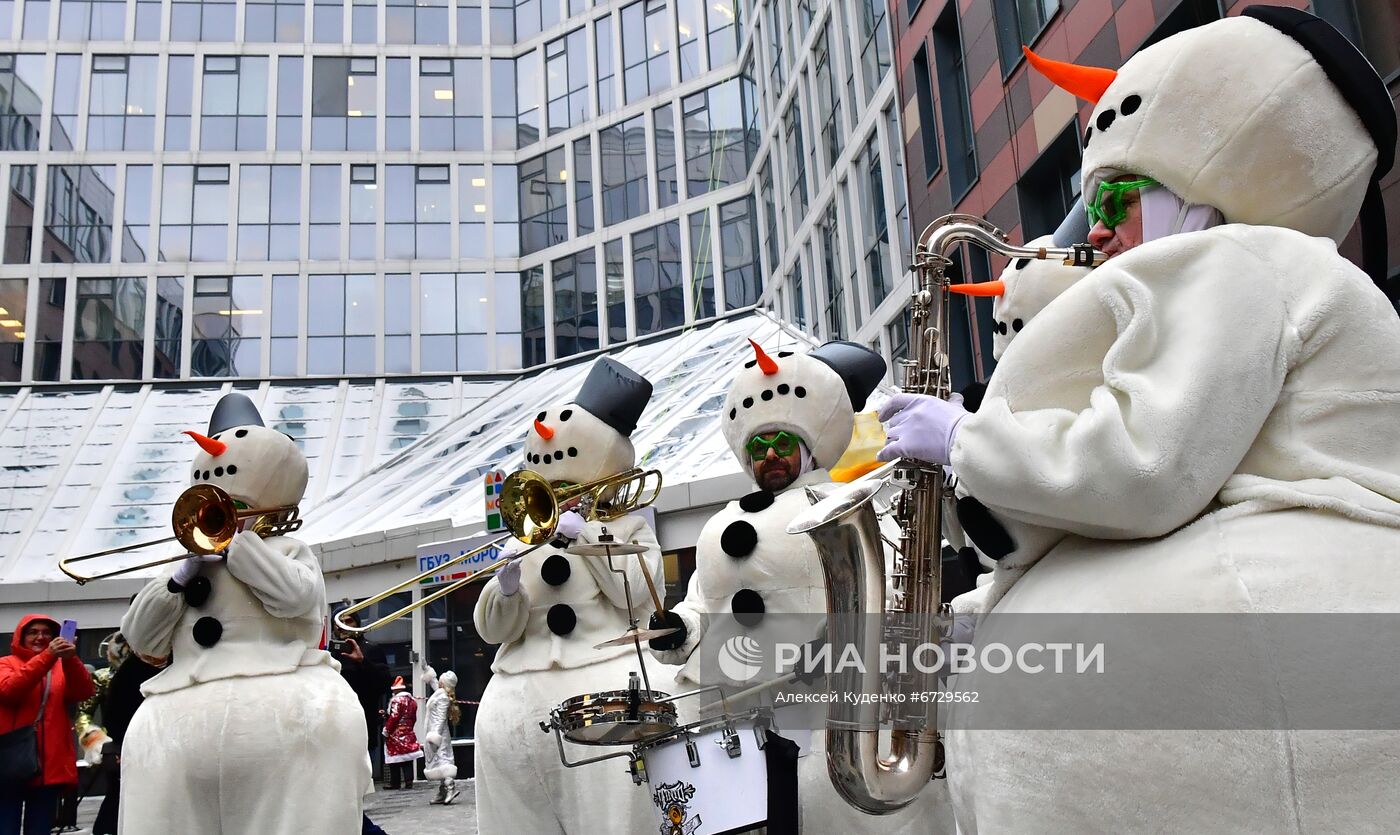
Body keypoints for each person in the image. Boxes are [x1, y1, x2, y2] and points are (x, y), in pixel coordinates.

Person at [879, 8, 1400, 832]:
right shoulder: (1275, 271)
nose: (1097, 228)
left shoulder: (1240, 258)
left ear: (1207, 183)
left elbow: (1147, 466)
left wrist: (965, 440)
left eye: (1118, 194)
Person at [647, 340, 948, 834]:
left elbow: (889, 586)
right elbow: (703, 603)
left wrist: (841, 644)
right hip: (739, 711)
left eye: (782, 443)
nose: (770, 457)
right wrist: (676, 630)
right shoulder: (720, 522)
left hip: (823, 706)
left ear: (806, 446)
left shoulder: (848, 503)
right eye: (759, 448)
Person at [120, 392, 371, 834]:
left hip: (279, 696)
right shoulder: (183, 565)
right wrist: (177, 580)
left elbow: (297, 599)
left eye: (232, 506)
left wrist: (240, 546)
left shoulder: (285, 549)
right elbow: (140, 640)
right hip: (182, 712)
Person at [472, 357, 664, 834]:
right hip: (516, 693)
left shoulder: (629, 527)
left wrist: (586, 537)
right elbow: (492, 631)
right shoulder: (523, 537)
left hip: (602, 693)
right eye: (551, 487)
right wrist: (506, 589)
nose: (559, 497)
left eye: (568, 487)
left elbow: (636, 596)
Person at [0, 614, 95, 835]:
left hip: (49, 768)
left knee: (41, 830)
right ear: (20, 637)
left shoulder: (61, 666)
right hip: (10, 764)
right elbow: (9, 691)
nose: (40, 637)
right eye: (33, 632)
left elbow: (83, 692)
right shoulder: (5, 664)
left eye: (46, 633)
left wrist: (70, 658)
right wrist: (48, 656)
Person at [331, 610, 393, 775]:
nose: (342, 627)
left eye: (348, 621)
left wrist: (363, 662)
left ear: (357, 624)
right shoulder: (329, 653)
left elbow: (384, 683)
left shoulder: (371, 650)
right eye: (337, 624)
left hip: (363, 723)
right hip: (334, 725)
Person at [420, 668, 459, 805]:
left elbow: (441, 718)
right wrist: (428, 671)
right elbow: (434, 683)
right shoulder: (441, 693)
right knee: (439, 759)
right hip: (436, 732)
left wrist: (435, 735)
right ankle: (443, 791)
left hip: (438, 733)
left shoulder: (442, 697)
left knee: (442, 759)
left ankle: (449, 788)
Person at [381, 677, 421, 789]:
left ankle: (395, 782)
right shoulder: (412, 701)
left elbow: (394, 717)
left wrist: (387, 730)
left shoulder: (397, 701)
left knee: (394, 759)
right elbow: (413, 717)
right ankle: (409, 781)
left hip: (396, 734)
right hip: (408, 732)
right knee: (407, 759)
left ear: (395, 690)